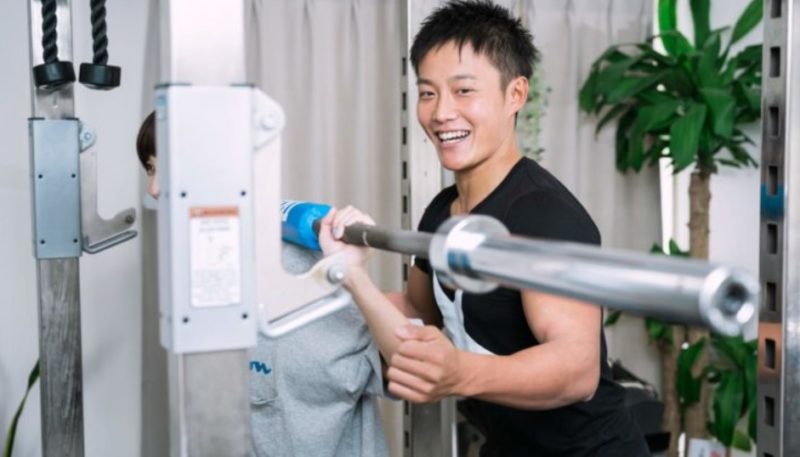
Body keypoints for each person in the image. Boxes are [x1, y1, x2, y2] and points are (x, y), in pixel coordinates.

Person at [317, 1, 650, 456]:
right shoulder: (442, 212)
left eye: (463, 91)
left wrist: (460, 372)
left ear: (515, 94)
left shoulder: (543, 214)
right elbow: (418, 315)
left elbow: (577, 369)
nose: (441, 113)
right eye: (428, 93)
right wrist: (345, 277)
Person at [135, 112, 389, 457]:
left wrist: (353, 276)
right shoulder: (202, 268)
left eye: (165, 167)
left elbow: (390, 368)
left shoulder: (297, 267)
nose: (153, 189)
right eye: (151, 169)